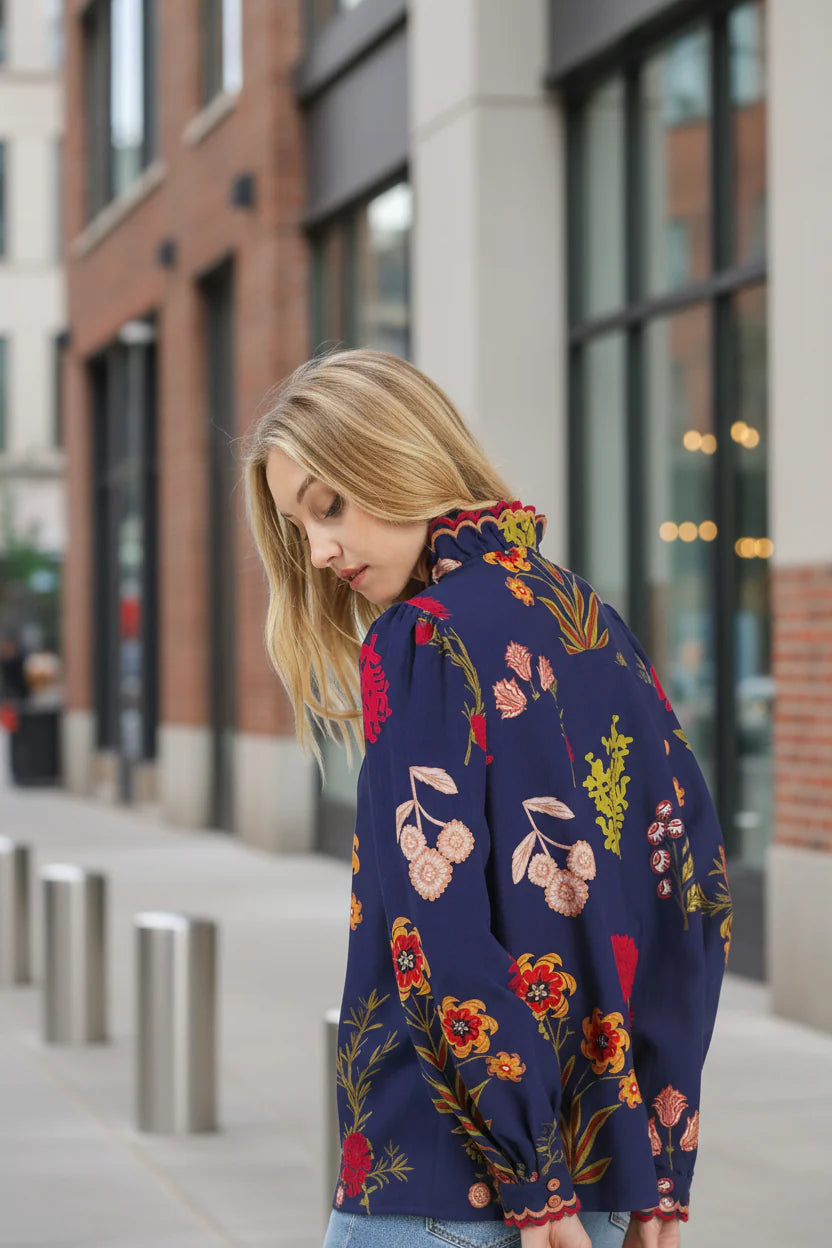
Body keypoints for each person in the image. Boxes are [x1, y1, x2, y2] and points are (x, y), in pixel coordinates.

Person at [243, 349, 731, 1248]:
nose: (318, 552)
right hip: (602, 1179)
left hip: (451, 1180)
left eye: (329, 505)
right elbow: (688, 889)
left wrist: (529, 1176)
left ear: (398, 457)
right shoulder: (582, 612)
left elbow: (439, 933)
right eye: (297, 525)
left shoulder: (421, 636)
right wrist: (664, 1157)